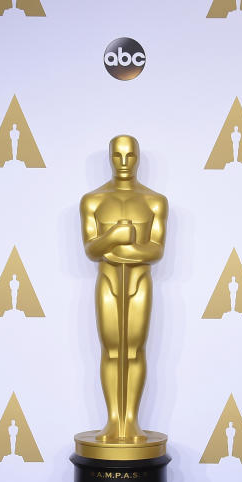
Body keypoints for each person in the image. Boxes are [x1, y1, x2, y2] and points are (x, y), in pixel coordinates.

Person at [80, 135, 168, 443]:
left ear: (139, 157)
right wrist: (117, 235)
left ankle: (131, 420)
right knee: (110, 350)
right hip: (107, 282)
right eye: (117, 156)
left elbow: (155, 251)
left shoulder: (154, 201)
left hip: (139, 282)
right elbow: (92, 250)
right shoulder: (93, 200)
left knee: (134, 350)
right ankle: (112, 421)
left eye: (130, 155)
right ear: (109, 157)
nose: (124, 162)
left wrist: (117, 251)